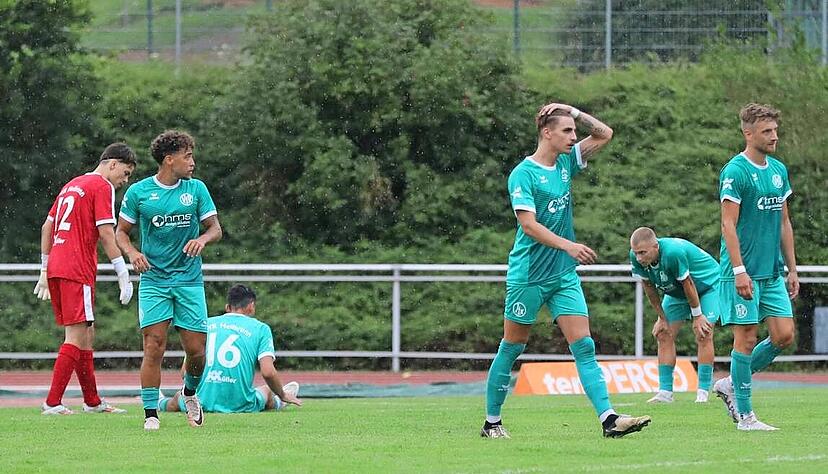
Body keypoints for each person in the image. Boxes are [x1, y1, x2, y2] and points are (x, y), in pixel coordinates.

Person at [481, 102, 651, 439]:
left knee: (584, 346)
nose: (574, 137)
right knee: (512, 347)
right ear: (547, 133)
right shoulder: (524, 174)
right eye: (567, 131)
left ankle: (609, 419)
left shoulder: (565, 163)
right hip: (528, 275)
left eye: (574, 131)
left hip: (562, 275)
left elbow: (604, 134)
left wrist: (572, 111)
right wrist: (568, 245)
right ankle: (492, 422)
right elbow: (528, 226)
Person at [115, 130, 223, 430]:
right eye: (187, 156)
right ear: (169, 159)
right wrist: (133, 253)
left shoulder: (197, 189)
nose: (192, 162)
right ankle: (151, 414)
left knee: (197, 351)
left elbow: (215, 228)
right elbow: (120, 233)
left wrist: (202, 239)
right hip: (154, 280)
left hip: (189, 280)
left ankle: (189, 394)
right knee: (154, 345)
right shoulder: (139, 193)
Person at [34, 143, 137, 415]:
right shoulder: (101, 186)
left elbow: (47, 226)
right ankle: (52, 402)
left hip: (58, 265)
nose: (124, 181)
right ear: (112, 164)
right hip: (76, 268)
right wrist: (122, 272)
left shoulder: (72, 184)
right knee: (76, 336)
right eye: (125, 173)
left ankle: (92, 401)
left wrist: (44, 268)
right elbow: (106, 233)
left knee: (87, 334)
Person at [714, 103, 797, 431]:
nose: (774, 136)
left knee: (784, 335)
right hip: (742, 272)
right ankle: (746, 417)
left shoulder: (778, 170)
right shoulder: (735, 171)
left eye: (775, 130)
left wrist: (793, 268)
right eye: (767, 131)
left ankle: (732, 383)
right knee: (746, 339)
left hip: (772, 272)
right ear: (748, 134)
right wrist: (738, 270)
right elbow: (727, 225)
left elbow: (784, 222)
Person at [158, 285, 302, 414]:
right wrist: (281, 393)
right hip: (241, 404)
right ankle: (281, 401)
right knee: (267, 391)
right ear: (251, 306)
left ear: (227, 307)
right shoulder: (261, 329)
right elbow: (268, 372)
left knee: (178, 398)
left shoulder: (206, 324)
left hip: (198, 404)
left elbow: (185, 373)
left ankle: (160, 403)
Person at [629, 227, 719, 404]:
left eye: (643, 253)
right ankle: (665, 393)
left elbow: (689, 284)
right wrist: (661, 317)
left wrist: (698, 316)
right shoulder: (637, 258)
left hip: (708, 287)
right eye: (636, 253)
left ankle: (702, 393)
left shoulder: (672, 252)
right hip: (677, 292)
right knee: (663, 333)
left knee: (704, 332)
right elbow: (648, 287)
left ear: (656, 247)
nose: (639, 258)